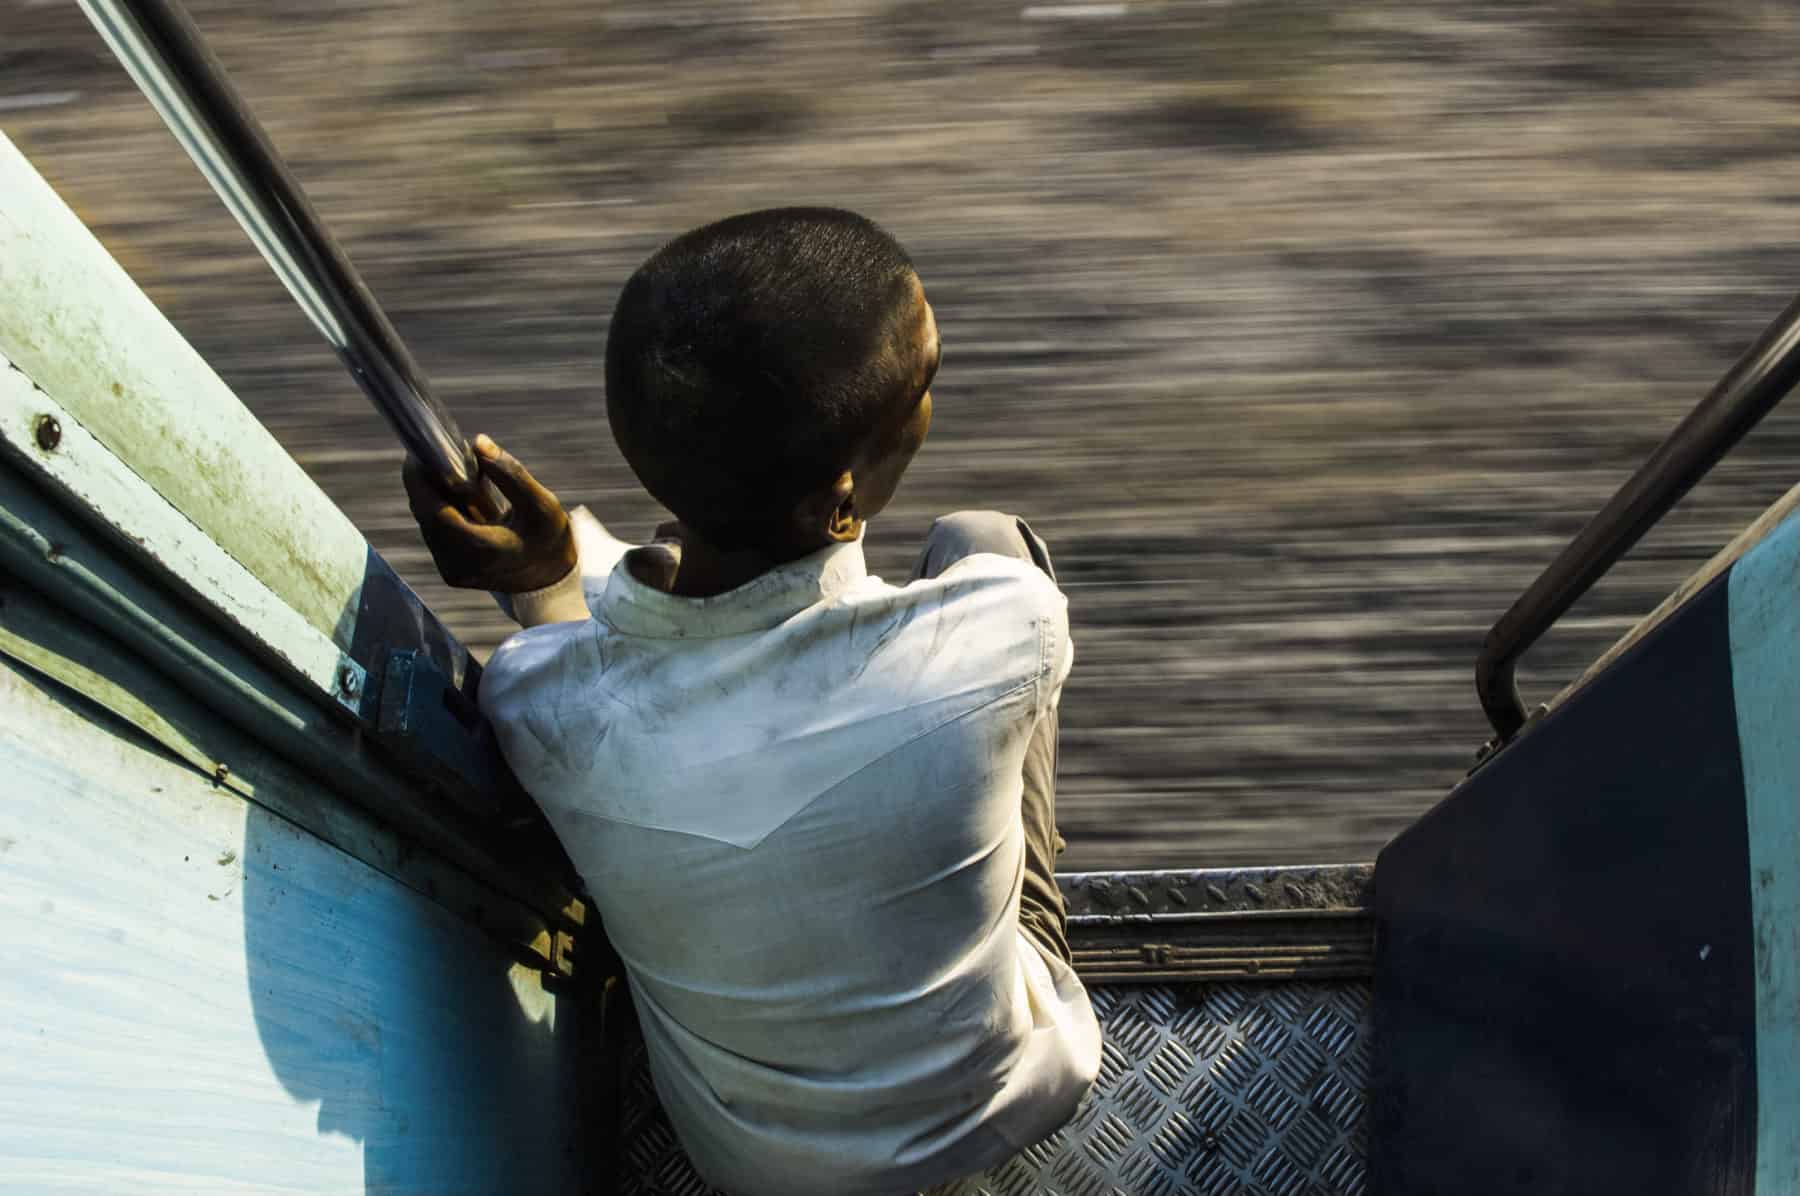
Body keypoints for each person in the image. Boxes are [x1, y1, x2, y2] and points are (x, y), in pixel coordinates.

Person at [404, 207, 1100, 1196]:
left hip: (752, 1161)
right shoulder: (1004, 625)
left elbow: (593, 663)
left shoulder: (537, 704)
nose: (933, 397)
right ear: (844, 500)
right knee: (983, 530)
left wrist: (554, 578)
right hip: (1011, 1089)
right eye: (925, 383)